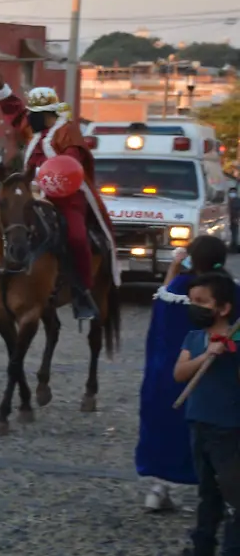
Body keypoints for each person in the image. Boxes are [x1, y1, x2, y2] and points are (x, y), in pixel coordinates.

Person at [0, 73, 116, 320]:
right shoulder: (35, 128)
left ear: (47, 114)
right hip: (31, 193)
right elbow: (17, 114)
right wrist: (5, 93)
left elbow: (72, 163)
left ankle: (82, 290)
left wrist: (45, 175)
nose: (28, 118)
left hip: (65, 196)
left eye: (34, 114)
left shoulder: (67, 132)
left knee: (76, 236)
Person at [136, 235, 233, 513]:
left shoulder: (176, 290)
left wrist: (174, 268)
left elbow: (162, 308)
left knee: (165, 431)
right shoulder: (225, 291)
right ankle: (226, 494)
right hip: (215, 377)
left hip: (169, 373)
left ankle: (158, 488)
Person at [173, 272, 240, 556]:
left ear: (223, 308)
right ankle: (203, 546)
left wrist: (230, 354)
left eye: (202, 302)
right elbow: (179, 374)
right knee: (207, 492)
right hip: (198, 424)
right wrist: (206, 355)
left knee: (234, 497)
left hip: (229, 429)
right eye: (192, 301)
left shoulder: (237, 341)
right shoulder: (193, 337)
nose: (195, 307)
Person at [229, 187, 240, 252]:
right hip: (228, 219)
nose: (232, 193)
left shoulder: (237, 200)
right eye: (231, 192)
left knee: (234, 233)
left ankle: (235, 246)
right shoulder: (228, 200)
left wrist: (237, 218)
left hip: (234, 219)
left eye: (233, 192)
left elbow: (238, 210)